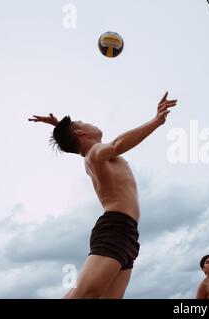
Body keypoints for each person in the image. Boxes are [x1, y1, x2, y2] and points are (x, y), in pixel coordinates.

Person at [29, 92, 177, 298]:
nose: (89, 122)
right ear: (80, 132)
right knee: (85, 294)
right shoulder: (96, 153)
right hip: (114, 228)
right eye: (84, 122)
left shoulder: (95, 156)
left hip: (127, 233)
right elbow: (117, 144)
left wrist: (58, 125)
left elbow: (78, 137)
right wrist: (156, 121)